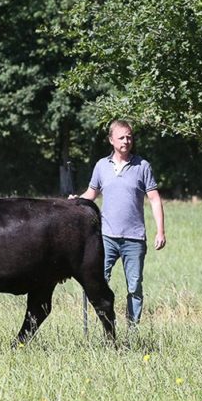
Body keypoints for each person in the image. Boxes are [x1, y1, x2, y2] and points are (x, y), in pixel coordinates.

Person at [72, 119, 166, 328]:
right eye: (122, 137)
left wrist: (160, 231)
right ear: (111, 140)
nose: (126, 141)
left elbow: (154, 199)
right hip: (106, 237)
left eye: (129, 137)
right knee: (98, 281)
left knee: (134, 287)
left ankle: (133, 330)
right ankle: (106, 325)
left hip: (134, 238)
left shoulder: (142, 166)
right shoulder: (101, 166)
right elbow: (91, 193)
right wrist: (75, 201)